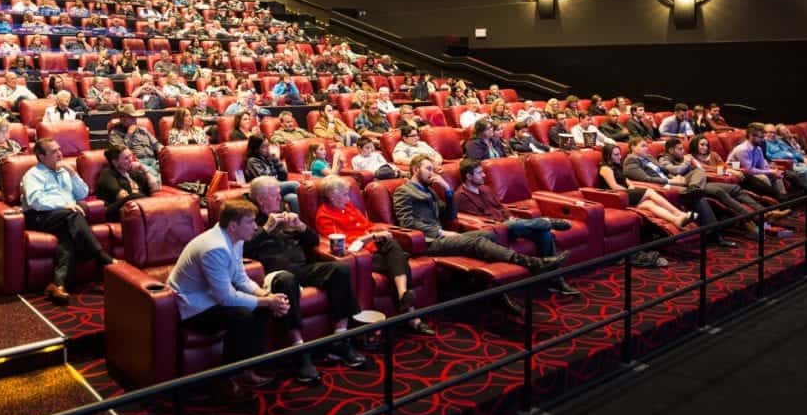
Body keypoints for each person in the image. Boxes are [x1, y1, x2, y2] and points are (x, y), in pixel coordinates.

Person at [242, 177, 367, 382]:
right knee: (287, 280)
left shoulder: (285, 212)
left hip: (302, 268)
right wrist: (265, 231)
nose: (280, 198)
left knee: (340, 270)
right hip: (271, 274)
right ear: (262, 200)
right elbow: (241, 249)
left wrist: (301, 226)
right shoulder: (248, 217)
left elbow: (314, 241)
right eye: (275, 195)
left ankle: (340, 339)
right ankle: (300, 352)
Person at [166, 199, 287, 398]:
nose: (256, 227)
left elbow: (240, 277)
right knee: (241, 315)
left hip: (212, 297)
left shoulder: (235, 238)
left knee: (260, 307)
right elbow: (226, 298)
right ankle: (225, 378)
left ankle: (248, 368)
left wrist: (264, 295)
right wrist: (267, 301)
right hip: (193, 307)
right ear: (233, 225)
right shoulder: (215, 247)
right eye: (250, 222)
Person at [393, 156, 569, 277]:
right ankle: (533, 263)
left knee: (491, 234)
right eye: (428, 169)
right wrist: (440, 232)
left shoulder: (430, 190)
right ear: (416, 169)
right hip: (427, 242)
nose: (433, 173)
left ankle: (496, 285)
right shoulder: (403, 191)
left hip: (441, 236)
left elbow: (450, 215)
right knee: (477, 242)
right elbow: (407, 222)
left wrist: (447, 190)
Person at [315, 176, 433, 335]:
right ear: (331, 196)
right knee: (398, 260)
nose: (348, 198)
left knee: (392, 244)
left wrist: (377, 234)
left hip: (375, 246)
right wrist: (369, 238)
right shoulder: (324, 215)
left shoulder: (348, 206)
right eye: (344, 194)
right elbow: (344, 244)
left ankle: (403, 294)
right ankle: (411, 314)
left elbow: (367, 225)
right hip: (361, 256)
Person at [456, 159, 578, 295]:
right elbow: (481, 222)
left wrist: (509, 217)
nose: (484, 175)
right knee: (519, 225)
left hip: (512, 225)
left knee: (545, 234)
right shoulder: (461, 196)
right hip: (495, 232)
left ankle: (555, 281)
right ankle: (545, 222)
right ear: (468, 176)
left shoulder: (486, 189)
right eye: (479, 173)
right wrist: (506, 222)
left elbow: (501, 207)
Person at [21, 138, 114, 304]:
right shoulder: (33, 175)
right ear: (41, 156)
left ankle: (58, 284)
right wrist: (65, 205)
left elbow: (83, 193)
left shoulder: (64, 171)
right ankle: (102, 258)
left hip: (62, 217)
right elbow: (35, 201)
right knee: (73, 214)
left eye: (59, 149)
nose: (60, 153)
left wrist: (73, 173)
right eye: (54, 151)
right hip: (39, 217)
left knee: (67, 238)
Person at [622, 136, 737, 247]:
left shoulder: (649, 157)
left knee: (698, 172)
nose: (646, 148)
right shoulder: (631, 161)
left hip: (673, 180)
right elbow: (646, 179)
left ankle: (694, 188)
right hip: (663, 185)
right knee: (699, 198)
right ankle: (715, 235)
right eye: (643, 146)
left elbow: (665, 170)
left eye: (646, 146)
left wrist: (677, 177)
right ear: (632, 147)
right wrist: (671, 181)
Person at [657, 138, 774, 234]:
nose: (683, 151)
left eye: (707, 145)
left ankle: (763, 211)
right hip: (690, 187)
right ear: (671, 150)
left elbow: (703, 168)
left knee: (735, 188)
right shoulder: (664, 159)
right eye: (680, 149)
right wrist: (688, 162)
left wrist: (729, 169)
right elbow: (677, 171)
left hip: (702, 182)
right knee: (719, 191)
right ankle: (754, 217)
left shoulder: (707, 155)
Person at [596, 144, 694, 227]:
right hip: (616, 196)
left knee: (650, 204)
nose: (620, 157)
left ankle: (675, 220)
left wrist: (630, 185)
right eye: (616, 155)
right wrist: (629, 190)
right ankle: (678, 213)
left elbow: (626, 179)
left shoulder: (617, 166)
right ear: (608, 156)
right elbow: (614, 187)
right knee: (649, 191)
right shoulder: (605, 168)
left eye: (619, 154)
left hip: (625, 194)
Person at [96, 144, 162, 221]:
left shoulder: (132, 173)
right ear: (115, 162)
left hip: (138, 208)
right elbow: (123, 196)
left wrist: (144, 169)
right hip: (116, 210)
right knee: (135, 196)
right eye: (126, 158)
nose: (131, 160)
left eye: (131, 156)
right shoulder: (108, 174)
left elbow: (156, 186)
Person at [726, 123, 788, 202]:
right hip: (739, 174)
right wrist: (770, 171)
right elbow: (749, 170)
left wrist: (773, 172)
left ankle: (784, 200)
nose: (764, 139)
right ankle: (771, 203)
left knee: (776, 175)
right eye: (761, 137)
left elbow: (762, 166)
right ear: (751, 136)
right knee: (763, 177)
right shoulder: (742, 149)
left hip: (751, 172)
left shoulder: (758, 149)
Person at [243, 135, 300, 214]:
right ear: (256, 148)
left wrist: (276, 160)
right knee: (295, 184)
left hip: (277, 186)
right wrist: (275, 172)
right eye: (264, 146)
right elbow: (266, 179)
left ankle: (297, 223)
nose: (267, 149)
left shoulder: (270, 157)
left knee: (294, 198)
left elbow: (283, 175)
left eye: (268, 145)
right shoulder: (252, 161)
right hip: (265, 189)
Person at [107, 104, 163, 178]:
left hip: (153, 161)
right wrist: (129, 134)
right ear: (122, 119)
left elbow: (157, 145)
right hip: (136, 163)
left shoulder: (143, 130)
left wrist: (165, 154)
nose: (135, 119)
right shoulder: (115, 134)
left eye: (135, 117)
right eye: (131, 117)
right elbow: (120, 153)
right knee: (155, 175)